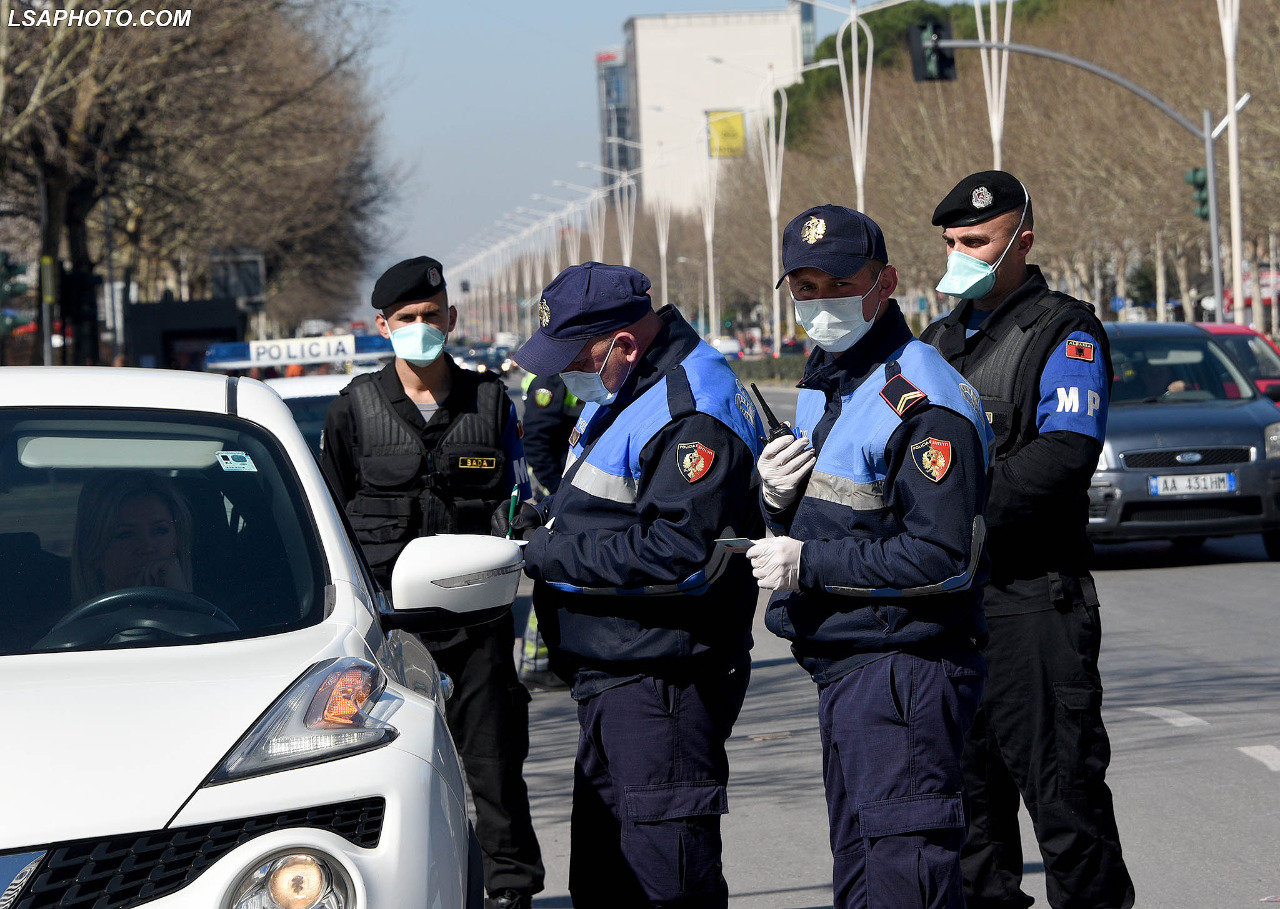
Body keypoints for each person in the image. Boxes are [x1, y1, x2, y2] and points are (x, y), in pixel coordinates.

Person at [747, 204, 994, 909]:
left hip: (904, 670)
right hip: (850, 664)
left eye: (837, 283)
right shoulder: (831, 383)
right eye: (804, 288)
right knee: (862, 877)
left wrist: (807, 565)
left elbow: (944, 556)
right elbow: (841, 514)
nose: (820, 303)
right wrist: (773, 500)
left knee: (904, 879)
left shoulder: (921, 399)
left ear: (884, 284)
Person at [507, 261, 766, 908]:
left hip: (662, 680)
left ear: (623, 343)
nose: (564, 374)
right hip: (617, 674)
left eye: (573, 359)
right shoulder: (632, 387)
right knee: (604, 882)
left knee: (666, 883)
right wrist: (548, 521)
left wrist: (550, 551)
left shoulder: (689, 407)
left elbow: (679, 551)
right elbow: (616, 505)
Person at [921, 171, 1135, 909]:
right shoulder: (936, 342)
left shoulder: (1064, 332)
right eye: (951, 242)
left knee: (1065, 805)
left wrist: (950, 509)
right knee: (969, 821)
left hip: (1032, 602)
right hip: (952, 608)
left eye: (976, 241)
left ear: (1022, 242)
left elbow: (1062, 457)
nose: (961, 255)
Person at [320, 256, 545, 909]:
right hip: (386, 631)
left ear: (451, 317)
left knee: (495, 766)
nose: (422, 327)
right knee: (380, 771)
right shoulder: (354, 408)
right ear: (383, 325)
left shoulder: (492, 401)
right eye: (408, 318)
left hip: (477, 624)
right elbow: (332, 515)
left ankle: (511, 889)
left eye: (431, 315)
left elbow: (523, 499)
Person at [515, 371, 581, 687]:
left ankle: (540, 659)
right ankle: (538, 662)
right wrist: (561, 492)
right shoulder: (552, 378)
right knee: (555, 569)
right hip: (557, 487)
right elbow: (538, 441)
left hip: (566, 485)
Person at [72, 471, 193, 602]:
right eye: (126, 534)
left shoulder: (213, 618)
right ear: (95, 552)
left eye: (160, 531)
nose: (147, 547)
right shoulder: (70, 623)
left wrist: (182, 602)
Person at [519, 372, 582, 499]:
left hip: (568, 481)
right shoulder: (549, 380)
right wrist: (558, 490)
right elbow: (535, 443)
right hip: (559, 485)